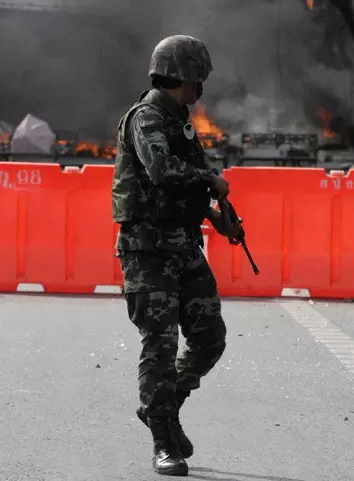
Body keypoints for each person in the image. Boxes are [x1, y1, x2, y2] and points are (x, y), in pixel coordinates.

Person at [111, 34, 240, 476]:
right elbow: (162, 172)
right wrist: (208, 179)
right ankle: (164, 440)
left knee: (209, 338)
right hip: (148, 252)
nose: (201, 86)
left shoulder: (178, 119)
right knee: (161, 346)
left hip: (184, 246)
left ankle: (161, 407)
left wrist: (213, 217)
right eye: (198, 77)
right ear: (186, 76)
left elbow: (177, 190)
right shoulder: (147, 118)